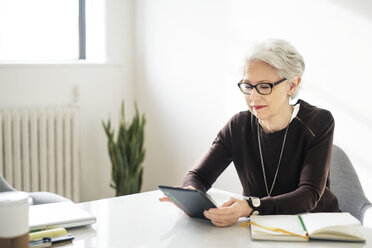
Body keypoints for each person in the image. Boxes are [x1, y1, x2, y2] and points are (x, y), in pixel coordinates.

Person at [159, 39, 340, 227]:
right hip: (263, 229)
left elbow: (309, 195)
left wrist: (251, 206)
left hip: (317, 227)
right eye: (247, 86)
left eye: (264, 86)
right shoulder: (239, 125)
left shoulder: (318, 122)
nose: (253, 97)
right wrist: (192, 193)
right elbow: (198, 176)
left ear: (292, 85)